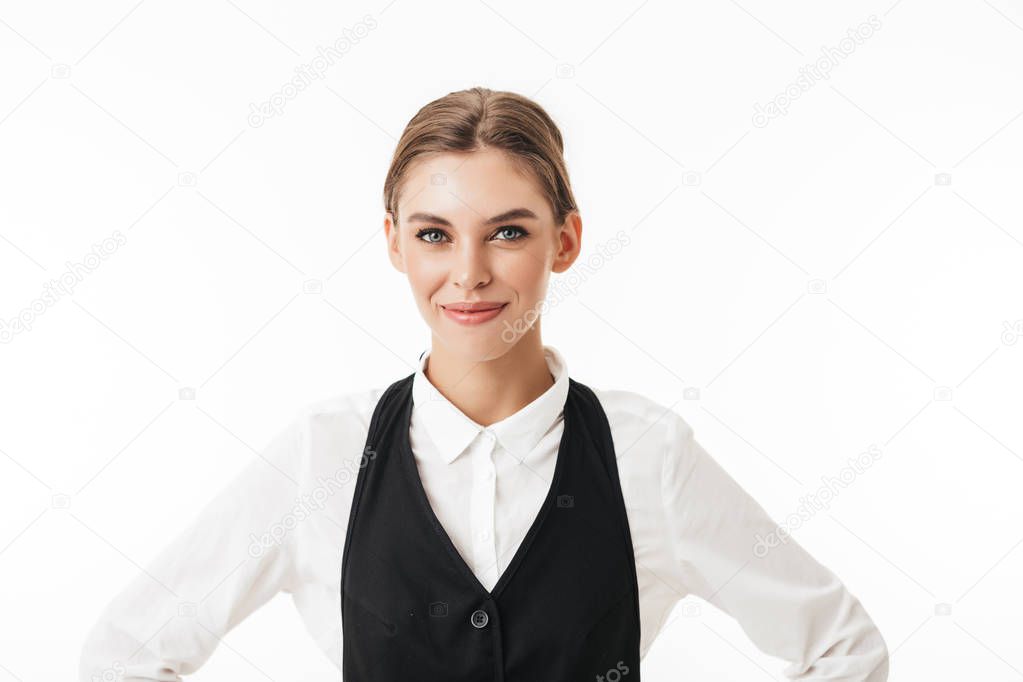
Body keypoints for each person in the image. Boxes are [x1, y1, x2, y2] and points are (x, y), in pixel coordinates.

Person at [79, 86, 889, 681]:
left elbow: (843, 648)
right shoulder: (322, 455)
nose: (467, 275)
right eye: (435, 234)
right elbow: (125, 654)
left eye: (507, 232)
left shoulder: (647, 457)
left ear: (565, 241)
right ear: (395, 244)